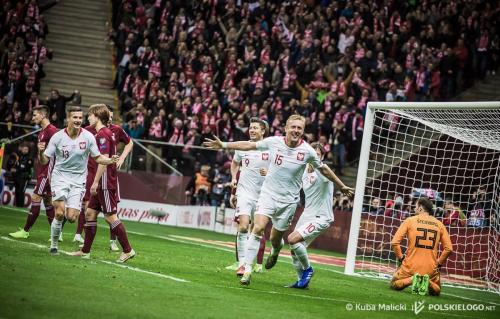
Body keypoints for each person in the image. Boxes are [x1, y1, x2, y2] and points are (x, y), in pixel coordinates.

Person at [203, 114, 354, 286]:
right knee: (257, 228)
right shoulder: (274, 142)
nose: (296, 131)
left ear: (303, 131)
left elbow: (324, 169)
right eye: (293, 127)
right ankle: (247, 270)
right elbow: (249, 145)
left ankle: (275, 250)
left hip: (288, 202)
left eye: (299, 128)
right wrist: (224, 144)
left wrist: (342, 186)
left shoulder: (307, 151)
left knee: (276, 238)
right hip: (268, 195)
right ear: (286, 128)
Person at [39, 106, 119, 255]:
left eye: (80, 118)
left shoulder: (88, 137)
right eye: (75, 117)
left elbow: (98, 157)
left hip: (78, 180)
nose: (78, 120)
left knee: (71, 218)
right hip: (60, 177)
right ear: (68, 119)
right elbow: (44, 160)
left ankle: (60, 234)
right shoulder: (58, 137)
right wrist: (40, 151)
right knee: (60, 212)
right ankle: (54, 245)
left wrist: (110, 160)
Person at [70, 104, 135, 262]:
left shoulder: (102, 135)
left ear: (97, 116)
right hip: (103, 180)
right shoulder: (104, 132)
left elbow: (103, 160)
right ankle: (85, 251)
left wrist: (95, 182)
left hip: (105, 181)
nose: (88, 117)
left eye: (91, 115)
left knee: (110, 217)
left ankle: (128, 250)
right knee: (90, 213)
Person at [287, 143, 335, 289]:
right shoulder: (303, 172)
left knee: (292, 239)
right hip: (307, 214)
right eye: (312, 154)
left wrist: (343, 186)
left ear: (322, 157)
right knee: (293, 248)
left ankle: (308, 269)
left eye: (318, 155)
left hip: (321, 216)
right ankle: (302, 281)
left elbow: (329, 174)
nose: (314, 157)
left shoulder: (323, 172)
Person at [226, 118, 270, 276]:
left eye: (256, 128)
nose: (252, 130)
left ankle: (257, 262)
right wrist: (233, 178)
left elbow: (279, 170)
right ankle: (242, 264)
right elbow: (235, 163)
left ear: (263, 131)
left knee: (258, 230)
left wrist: (269, 172)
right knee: (243, 226)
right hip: (244, 192)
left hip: (263, 195)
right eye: (251, 128)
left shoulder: (270, 148)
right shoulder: (242, 147)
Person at [9, 106, 58, 239]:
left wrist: (53, 172)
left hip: (47, 172)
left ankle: (25, 231)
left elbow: (60, 150)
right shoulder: (43, 131)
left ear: (43, 115)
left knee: (36, 198)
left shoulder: (52, 131)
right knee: (48, 203)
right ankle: (56, 234)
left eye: (35, 115)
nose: (33, 117)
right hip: (43, 170)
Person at [390, 197, 453, 296]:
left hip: (410, 266)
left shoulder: (410, 220)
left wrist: (401, 258)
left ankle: (412, 279)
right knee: (436, 291)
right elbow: (449, 248)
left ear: (420, 208)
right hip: (431, 268)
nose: (414, 209)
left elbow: (394, 243)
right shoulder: (439, 224)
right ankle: (428, 282)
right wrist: (439, 263)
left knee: (393, 284)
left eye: (415, 206)